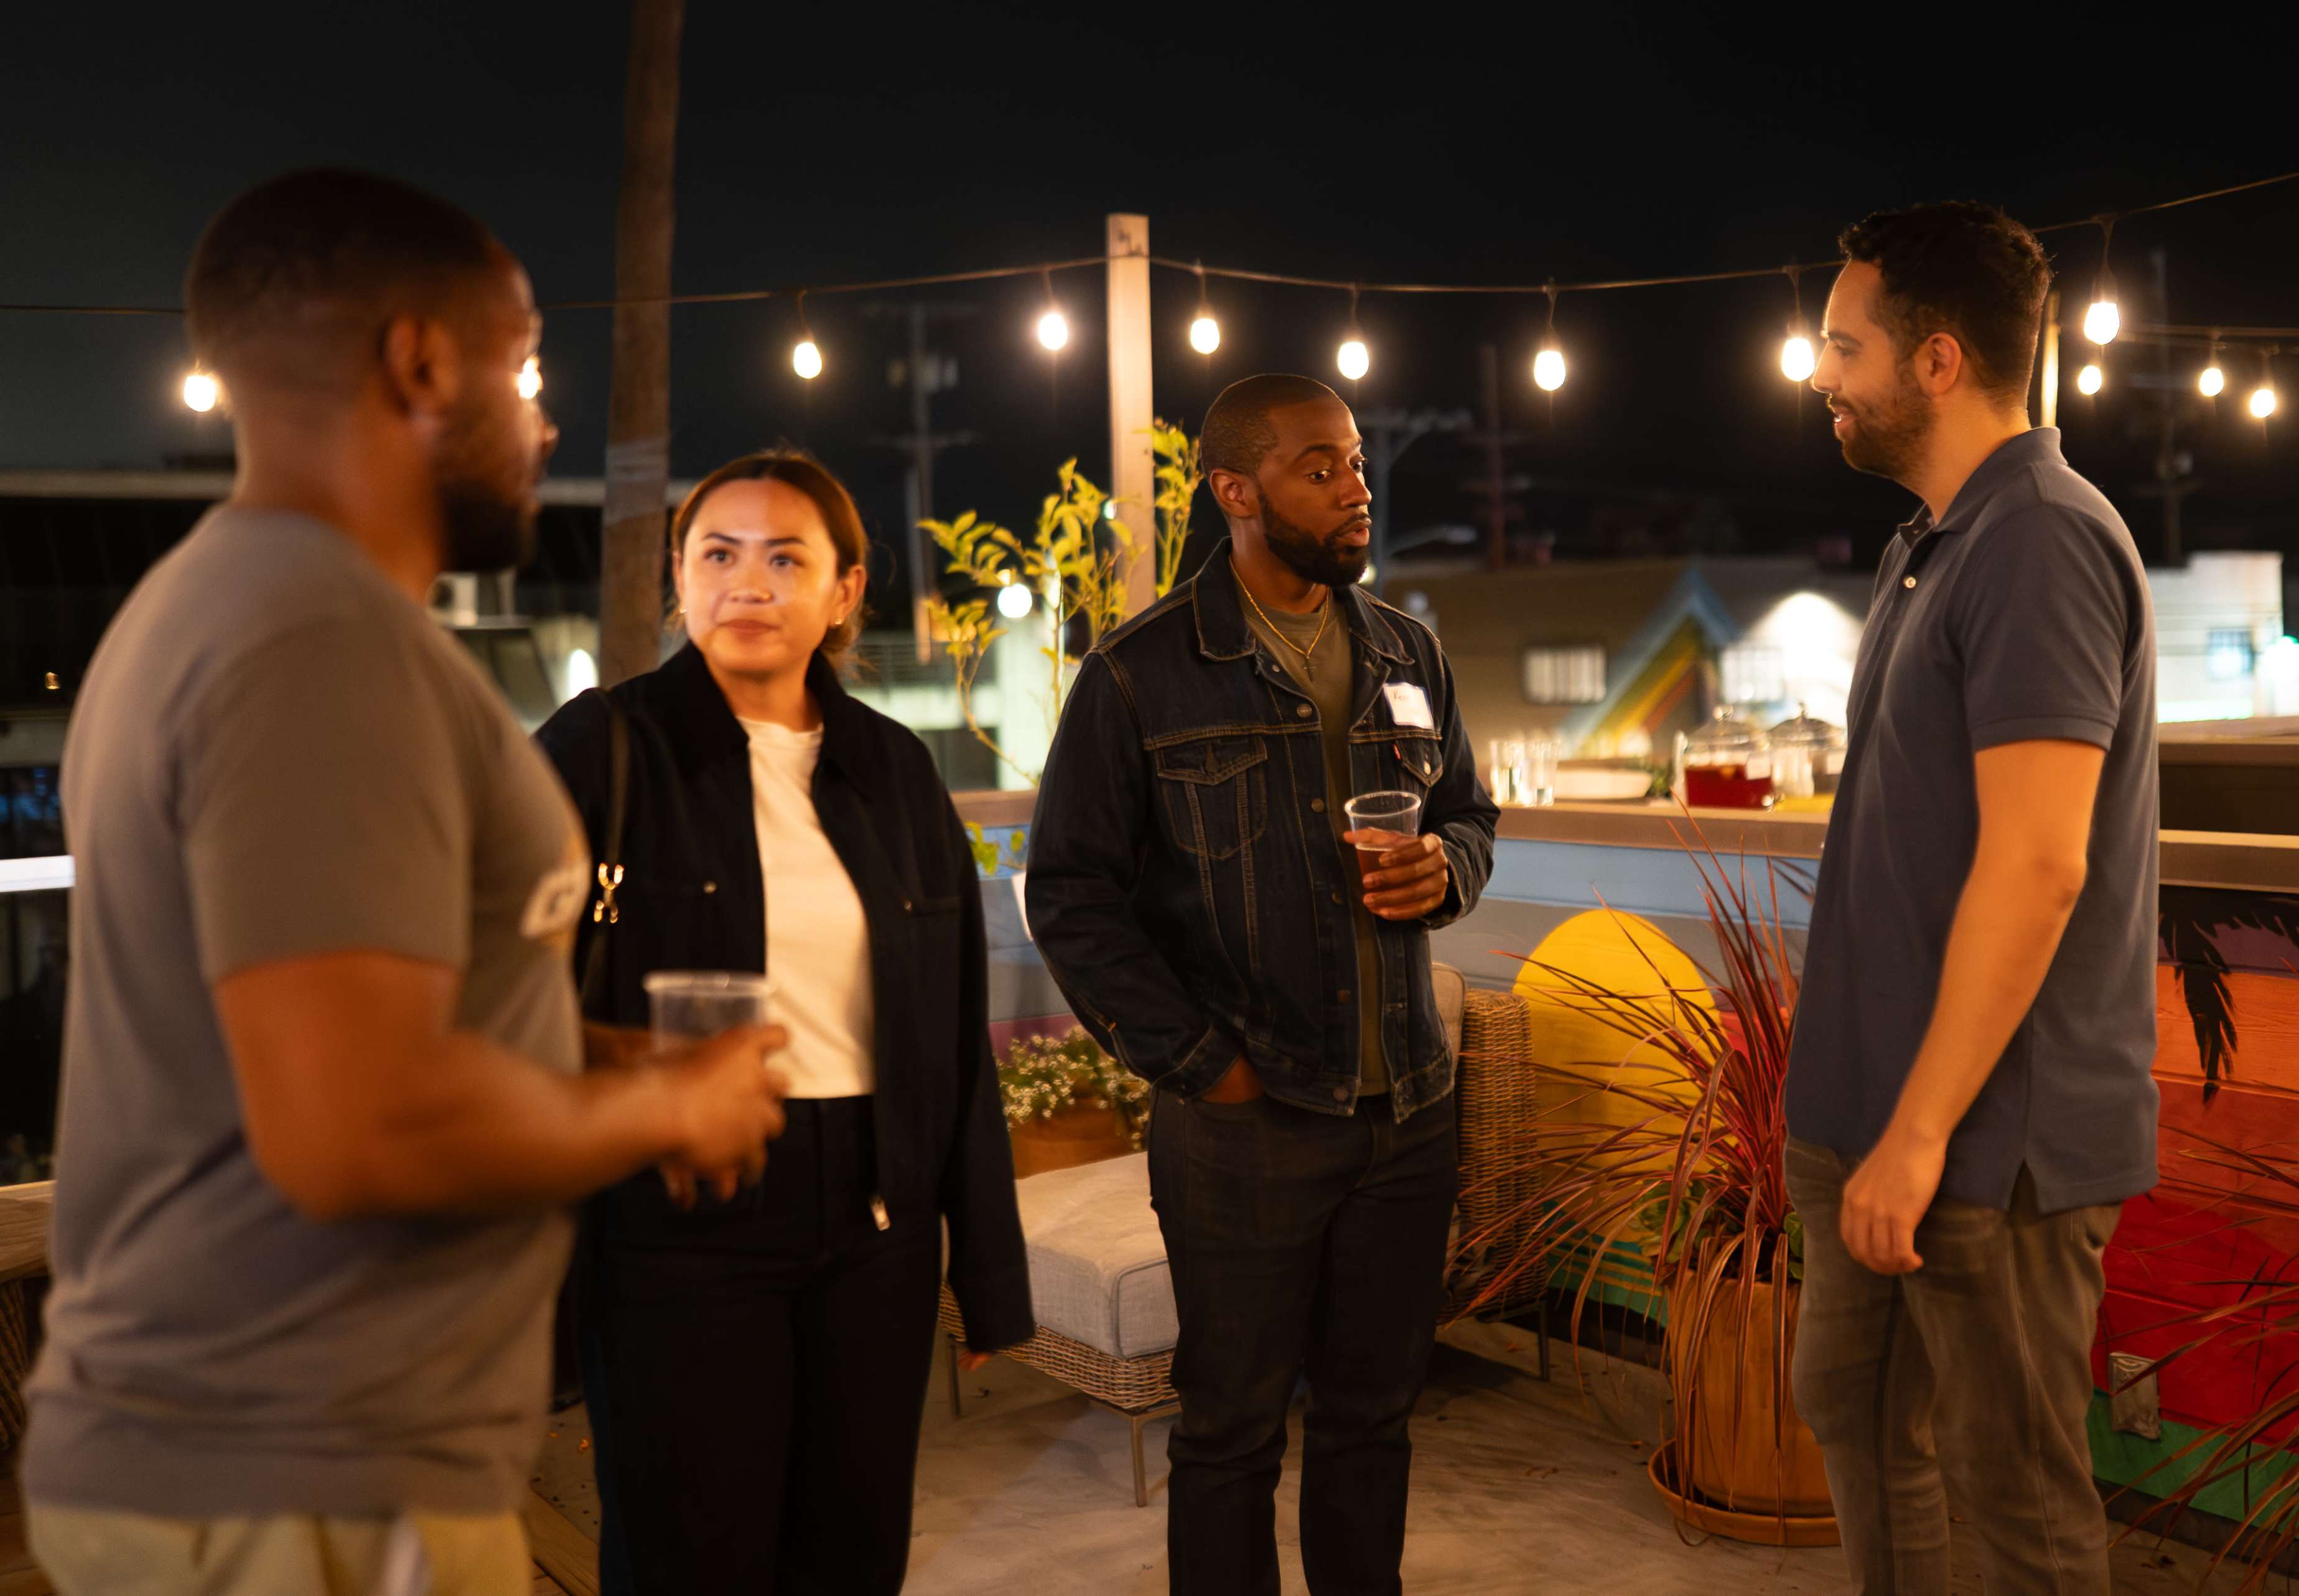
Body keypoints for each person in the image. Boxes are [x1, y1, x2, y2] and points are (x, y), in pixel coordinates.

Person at [21, 169, 788, 1596]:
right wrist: (665, 1100)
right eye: (529, 362)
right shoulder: (317, 636)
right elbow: (351, 1125)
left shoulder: (215, 606)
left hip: (255, 1464)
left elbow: (344, 1036)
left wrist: (603, 1053)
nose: (545, 416)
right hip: (301, 1479)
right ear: (422, 361)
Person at [1027, 373, 1499, 1595]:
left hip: (1407, 1110)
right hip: (1246, 1120)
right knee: (1229, 1430)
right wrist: (1202, 1065)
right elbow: (1071, 891)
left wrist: (1444, 867)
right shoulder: (1140, 675)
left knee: (1372, 1416)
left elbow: (1470, 813)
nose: (1356, 490)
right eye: (1319, 468)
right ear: (1235, 491)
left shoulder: (1410, 649)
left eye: (1354, 462)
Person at [536, 449, 1034, 1595]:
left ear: (846, 591)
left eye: (783, 557)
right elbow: (495, 981)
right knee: (691, 1557)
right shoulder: (602, 748)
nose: (747, 583)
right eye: (718, 554)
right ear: (679, 577)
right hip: (676, 1221)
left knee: (854, 1553)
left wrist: (990, 1278)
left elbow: (952, 1038)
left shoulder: (896, 770)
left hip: (877, 1227)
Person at [1784, 201, 2158, 1594]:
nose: (1822, 372)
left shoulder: (2040, 540)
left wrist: (1922, 1129)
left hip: (1987, 1139)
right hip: (1874, 1114)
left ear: (1935, 362)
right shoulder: (1933, 541)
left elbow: (2040, 860)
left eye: (1844, 342)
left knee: (2018, 1494)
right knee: (1860, 1417)